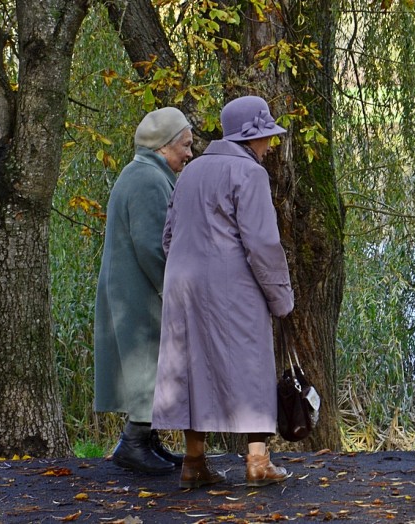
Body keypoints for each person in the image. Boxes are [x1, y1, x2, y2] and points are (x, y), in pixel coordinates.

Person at [151, 95, 294, 488]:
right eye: (266, 137)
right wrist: (281, 298)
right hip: (233, 287)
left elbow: (168, 237)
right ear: (252, 137)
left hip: (182, 286)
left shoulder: (190, 172)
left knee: (190, 368)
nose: (269, 146)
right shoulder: (250, 174)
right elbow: (262, 244)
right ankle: (258, 461)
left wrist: (189, 268)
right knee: (251, 363)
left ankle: (193, 463)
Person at [94, 107, 194, 475]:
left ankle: (145, 440)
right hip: (140, 295)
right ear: (164, 146)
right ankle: (134, 443)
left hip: (133, 291)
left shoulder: (142, 173)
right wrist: (175, 291)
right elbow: (154, 247)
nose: (189, 153)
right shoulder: (149, 180)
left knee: (152, 367)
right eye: (185, 145)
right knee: (149, 366)